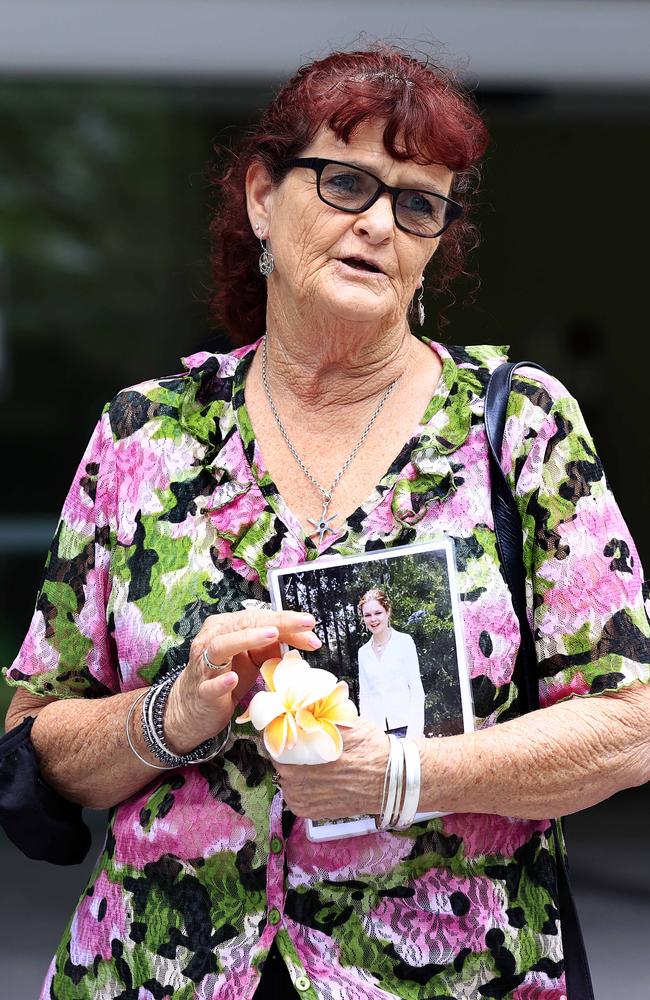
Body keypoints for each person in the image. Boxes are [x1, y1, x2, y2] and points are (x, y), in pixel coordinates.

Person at [2, 43, 650, 1000]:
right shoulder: (145, 433)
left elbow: (631, 723)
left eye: (418, 202)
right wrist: (169, 715)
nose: (380, 224)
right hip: (154, 969)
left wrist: (397, 777)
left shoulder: (516, 424)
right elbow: (32, 736)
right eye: (346, 183)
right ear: (263, 196)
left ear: (437, 242)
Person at [357, 588, 425, 737]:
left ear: (388, 612)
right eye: (367, 615)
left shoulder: (404, 642)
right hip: (377, 733)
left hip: (406, 728)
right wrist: (368, 734)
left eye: (378, 613)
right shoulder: (363, 652)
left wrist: (414, 734)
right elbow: (365, 695)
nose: (373, 619)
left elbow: (416, 690)